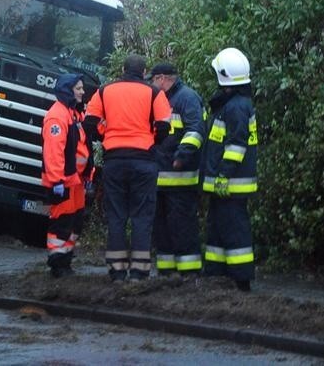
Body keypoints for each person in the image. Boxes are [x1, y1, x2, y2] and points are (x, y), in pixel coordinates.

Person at [83, 54, 171, 282]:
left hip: (114, 160)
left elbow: (89, 122)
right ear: (144, 73)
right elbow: (163, 127)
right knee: (142, 217)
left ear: (122, 69)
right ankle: (139, 273)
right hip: (144, 161)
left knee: (116, 216)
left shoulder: (105, 91)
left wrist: (105, 135)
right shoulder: (155, 93)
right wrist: (150, 140)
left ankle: (117, 271)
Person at [201, 47, 258, 291]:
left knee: (235, 231)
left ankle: (242, 281)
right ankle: (215, 274)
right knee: (217, 228)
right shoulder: (233, 104)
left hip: (231, 183)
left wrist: (223, 175)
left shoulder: (235, 107)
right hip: (225, 182)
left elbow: (236, 146)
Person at [148, 62, 205, 277]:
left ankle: (190, 275)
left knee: (183, 227)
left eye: (153, 80)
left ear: (162, 78)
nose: (152, 85)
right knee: (161, 229)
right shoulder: (160, 99)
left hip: (180, 178)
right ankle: (166, 272)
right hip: (159, 178)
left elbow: (196, 131)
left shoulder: (187, 98)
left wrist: (181, 157)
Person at [41, 73, 93, 278]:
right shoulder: (58, 116)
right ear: (68, 90)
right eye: (79, 88)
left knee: (74, 222)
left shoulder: (73, 114)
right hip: (63, 181)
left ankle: (65, 260)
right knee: (62, 222)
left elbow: (81, 147)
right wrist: (56, 181)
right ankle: (57, 263)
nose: (82, 91)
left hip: (75, 181)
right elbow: (54, 151)